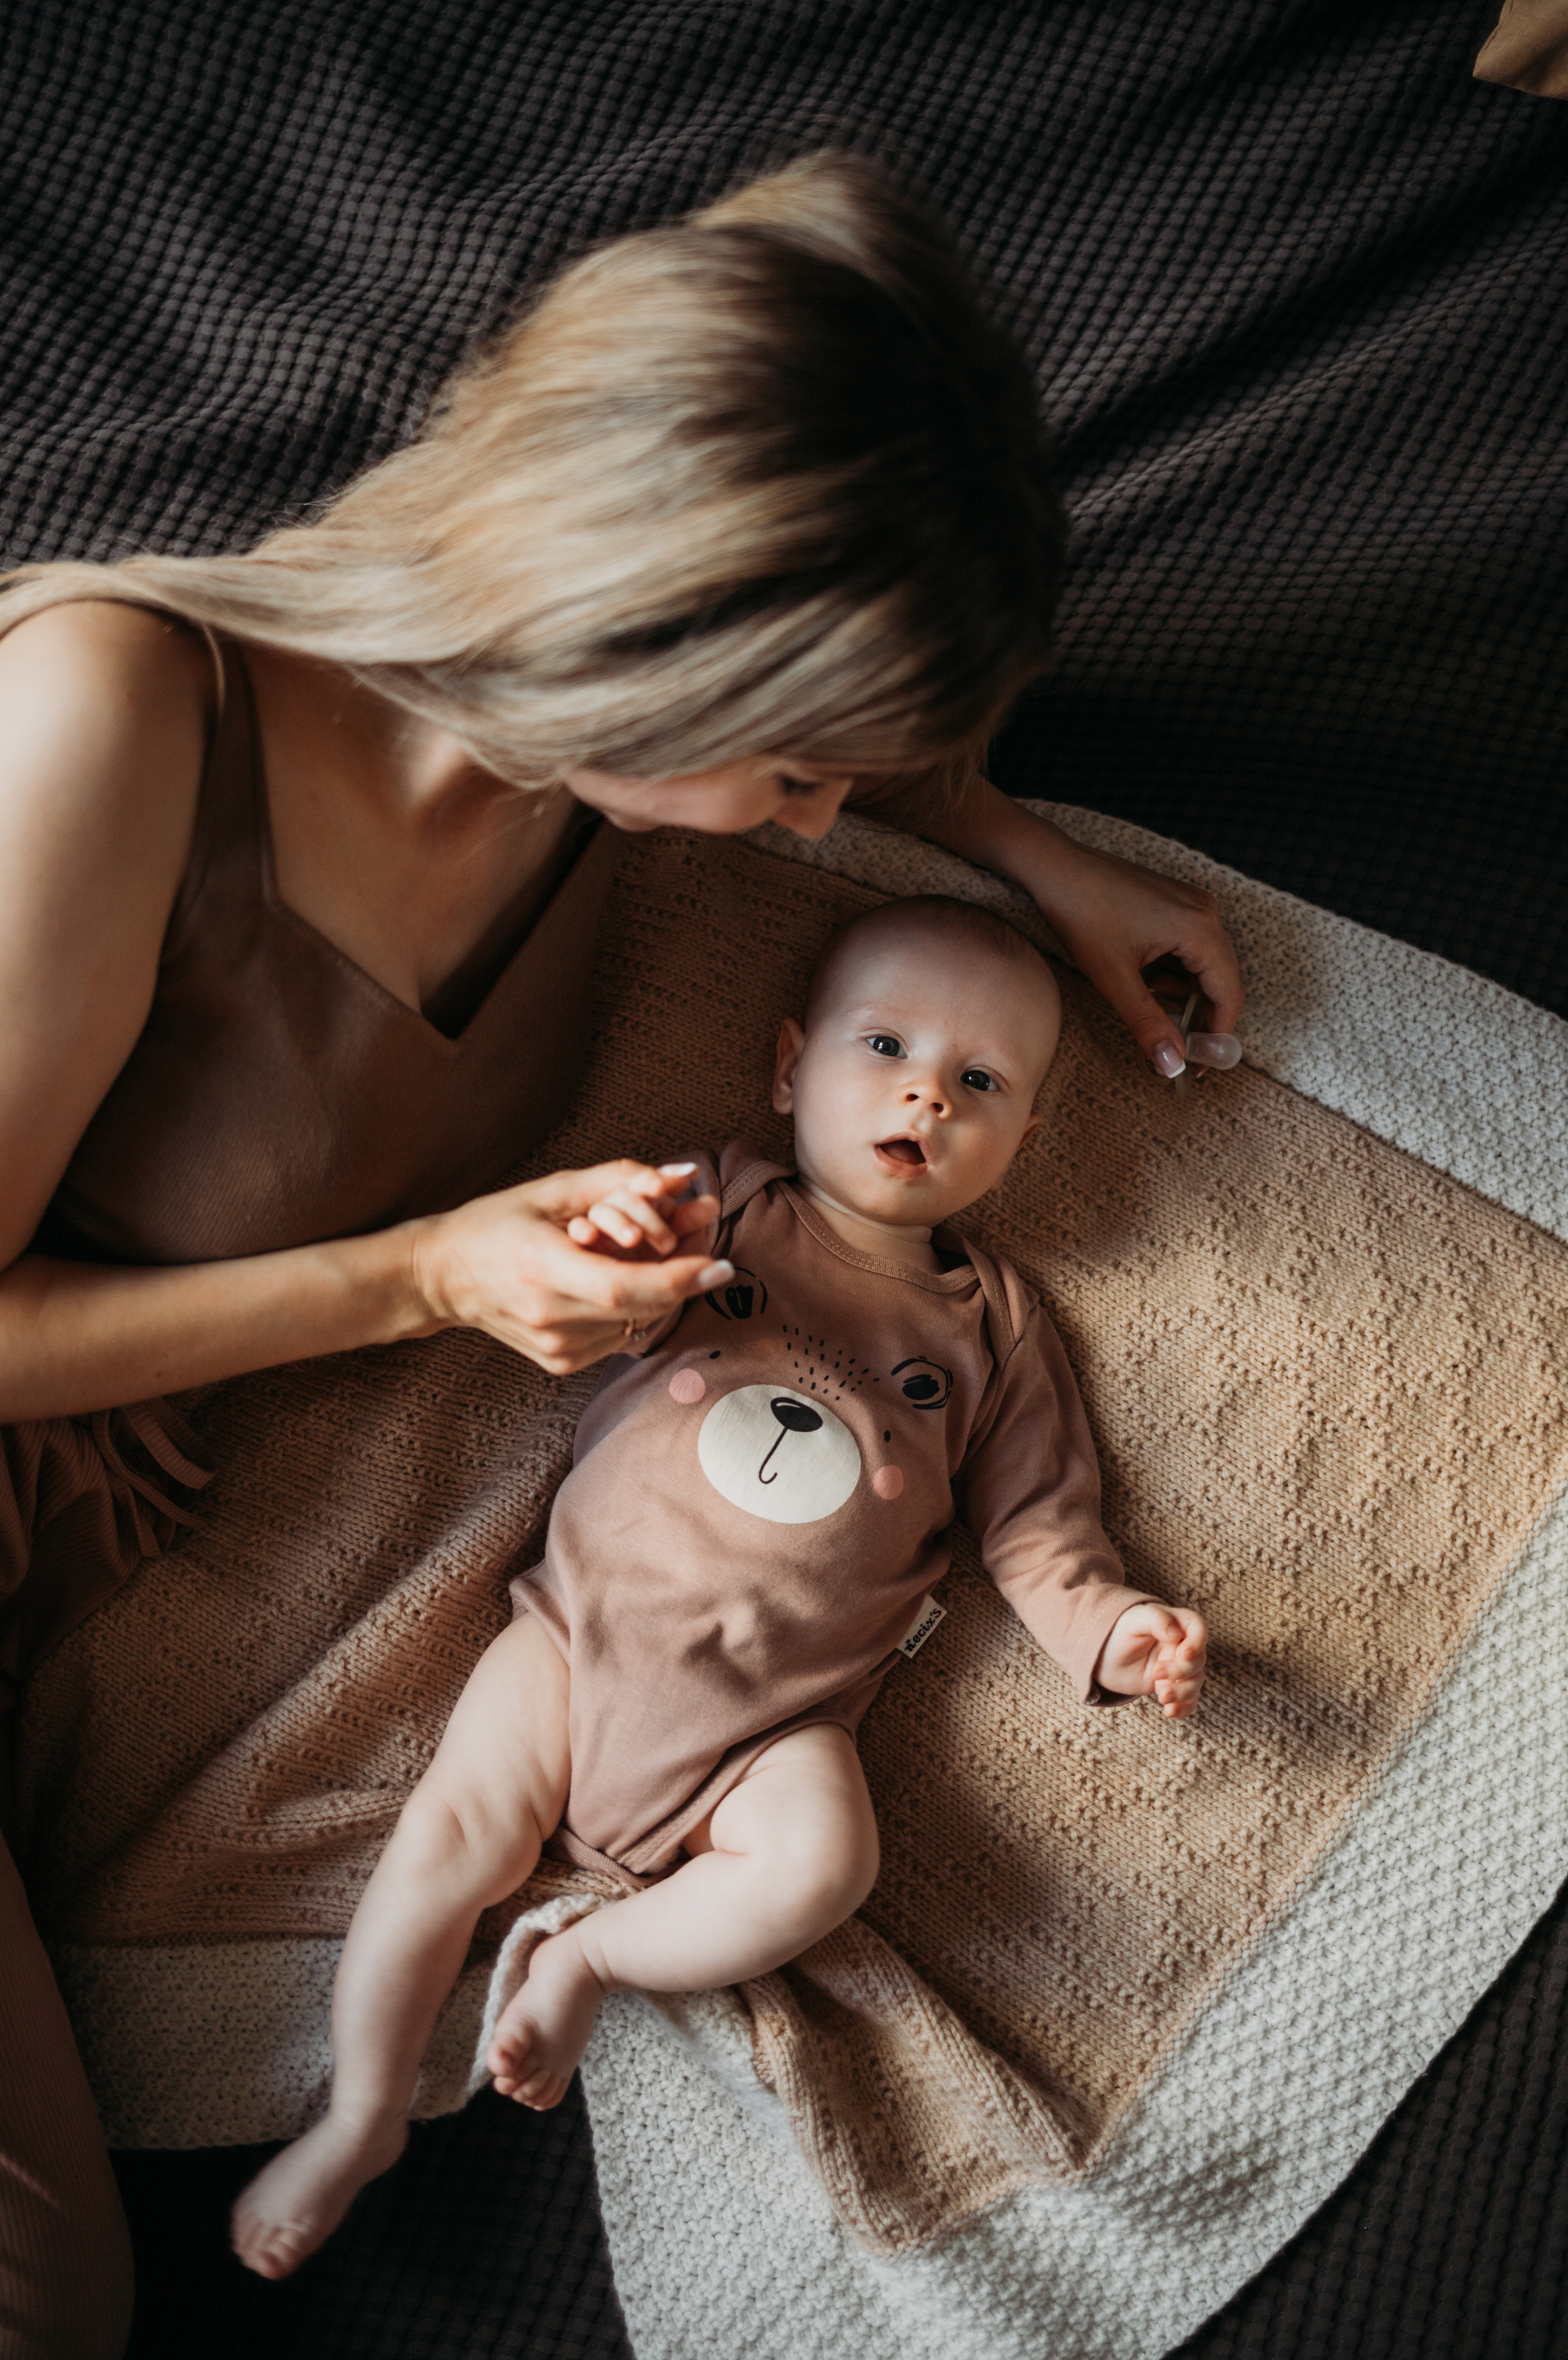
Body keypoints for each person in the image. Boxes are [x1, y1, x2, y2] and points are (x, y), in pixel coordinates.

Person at [0, 154, 1240, 2356]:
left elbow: (821, 261)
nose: (807, 831)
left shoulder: (567, 730)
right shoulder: (114, 722)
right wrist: (425, 1278)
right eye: (787, 786)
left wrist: (1030, 859)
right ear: (653, 647)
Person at [229, 894, 1210, 2279]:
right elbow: (589, 1290)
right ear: (787, 1070)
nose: (927, 1090)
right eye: (886, 1046)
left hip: (773, 1727)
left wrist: (1116, 1634)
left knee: (827, 1862)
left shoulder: (993, 1328)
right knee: (445, 1839)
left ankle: (593, 1961)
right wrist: (623, 1240)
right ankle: (361, 2112)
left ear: (1023, 1143)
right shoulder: (726, 1207)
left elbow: (1042, 1535)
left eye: (979, 1082)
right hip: (578, 1635)